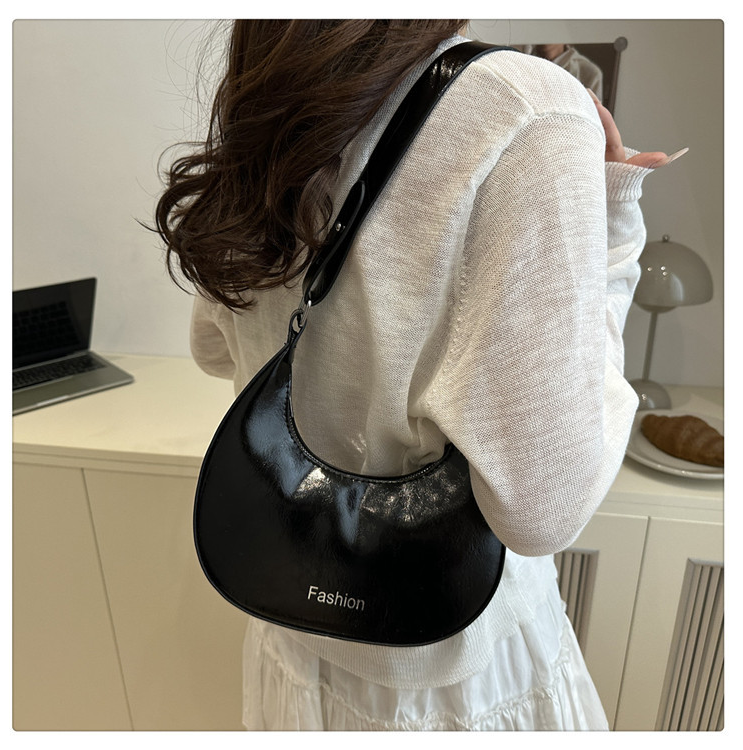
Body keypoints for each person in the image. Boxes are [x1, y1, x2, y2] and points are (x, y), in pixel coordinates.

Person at [154, 20, 679, 731]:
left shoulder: (273, 84)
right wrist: (613, 239)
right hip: (454, 687)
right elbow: (543, 511)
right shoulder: (528, 106)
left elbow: (213, 351)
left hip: (290, 632)